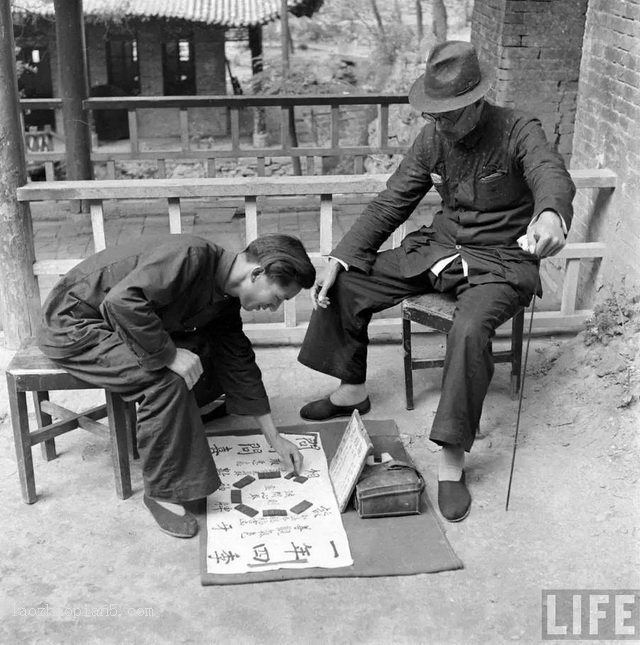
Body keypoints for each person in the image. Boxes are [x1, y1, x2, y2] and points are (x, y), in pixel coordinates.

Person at [297, 41, 576, 522]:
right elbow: (392, 201)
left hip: (501, 260)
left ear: (475, 102)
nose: (440, 123)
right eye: (435, 113)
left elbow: (551, 174)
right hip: (439, 249)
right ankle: (351, 389)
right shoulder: (432, 138)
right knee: (348, 281)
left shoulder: (518, 128)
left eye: (449, 114)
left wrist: (550, 214)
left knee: (469, 330)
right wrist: (341, 258)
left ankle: (451, 460)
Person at [38, 233, 316, 538]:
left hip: (113, 320)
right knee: (166, 379)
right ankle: (161, 491)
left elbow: (238, 359)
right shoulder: (191, 257)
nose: (274, 307)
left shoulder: (225, 295)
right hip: (75, 324)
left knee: (211, 354)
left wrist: (274, 437)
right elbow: (121, 301)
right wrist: (168, 354)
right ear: (257, 273)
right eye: (277, 297)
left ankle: (172, 423)